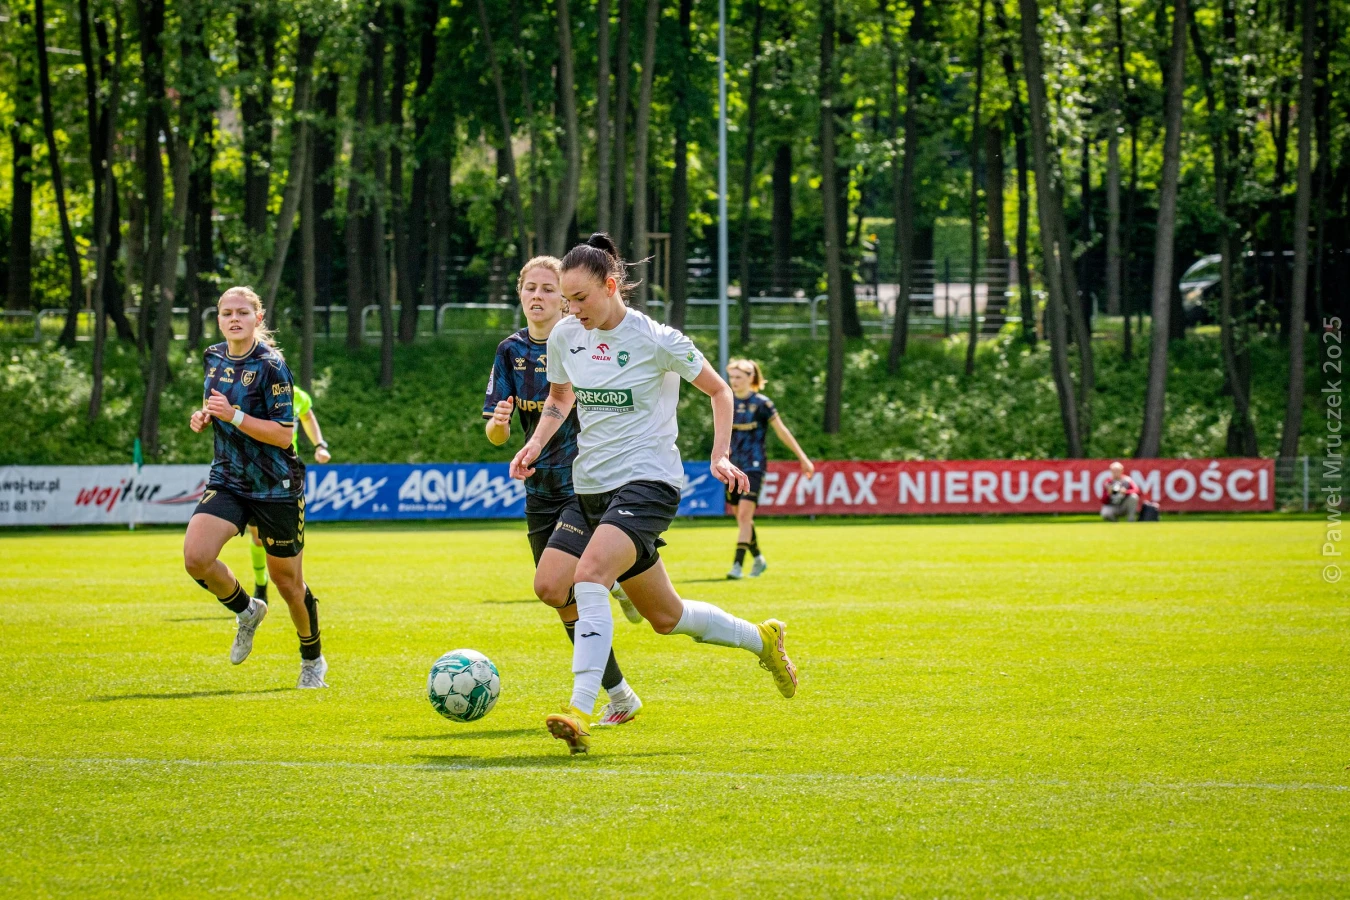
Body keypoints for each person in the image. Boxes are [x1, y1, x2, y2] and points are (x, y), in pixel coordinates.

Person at [510, 233, 798, 755]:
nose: (571, 310)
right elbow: (559, 396)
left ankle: (581, 710)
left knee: (590, 575)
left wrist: (719, 454)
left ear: (611, 286)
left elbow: (719, 390)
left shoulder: (657, 339)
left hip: (648, 483)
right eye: (566, 300)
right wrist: (533, 445)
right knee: (643, 611)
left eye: (580, 298)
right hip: (590, 487)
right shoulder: (566, 336)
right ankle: (761, 639)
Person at [484, 256, 644, 726]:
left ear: (565, 298)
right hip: (541, 488)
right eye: (530, 288)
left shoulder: (584, 342)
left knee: (564, 583)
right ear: (520, 294)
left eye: (548, 289)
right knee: (559, 597)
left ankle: (612, 576)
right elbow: (497, 435)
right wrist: (500, 425)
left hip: (586, 483)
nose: (538, 296)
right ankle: (620, 694)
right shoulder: (509, 350)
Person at [184, 286, 327, 689]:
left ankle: (312, 660)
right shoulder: (213, 357)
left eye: (243, 312)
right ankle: (247, 610)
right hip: (229, 478)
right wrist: (205, 416)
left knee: (288, 585)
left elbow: (283, 435)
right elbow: (218, 405)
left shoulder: (272, 366)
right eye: (227, 313)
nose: (234, 319)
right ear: (218, 319)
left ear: (258, 318)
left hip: (276, 486)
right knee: (196, 557)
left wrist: (234, 415)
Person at [723, 358, 813, 579]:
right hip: (732, 467)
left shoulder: (762, 404)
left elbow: (782, 431)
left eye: (738, 377)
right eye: (731, 377)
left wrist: (802, 457)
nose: (734, 381)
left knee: (745, 515)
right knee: (741, 518)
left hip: (754, 465)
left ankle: (737, 566)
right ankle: (759, 559)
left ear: (751, 378)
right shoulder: (726, 401)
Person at [248, 385, 329, 602]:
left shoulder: (297, 395)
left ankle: (297, 590)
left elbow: (308, 417)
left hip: (287, 469)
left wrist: (319, 444)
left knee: (290, 534)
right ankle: (261, 582)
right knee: (258, 537)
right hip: (257, 468)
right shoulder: (254, 392)